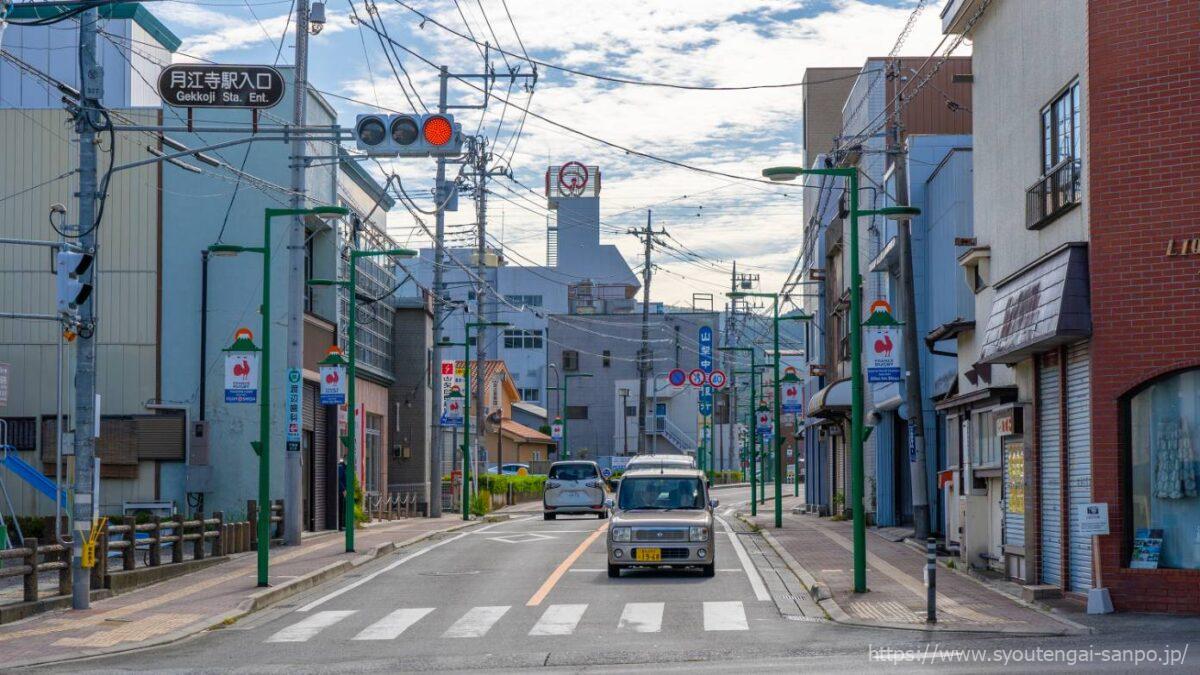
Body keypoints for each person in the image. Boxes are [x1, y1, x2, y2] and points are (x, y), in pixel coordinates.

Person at [337, 458, 347, 531]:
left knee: (341, 509)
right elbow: (339, 479)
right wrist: (343, 489)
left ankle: (340, 525)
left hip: (340, 490)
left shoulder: (342, 467)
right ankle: (340, 526)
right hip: (340, 491)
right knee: (340, 509)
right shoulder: (341, 467)